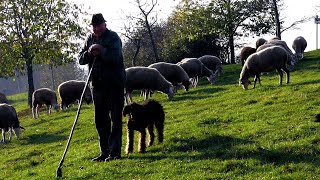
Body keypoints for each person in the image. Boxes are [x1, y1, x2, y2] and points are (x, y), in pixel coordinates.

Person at [78, 13, 126, 162]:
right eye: (94, 26)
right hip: (97, 86)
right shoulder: (89, 39)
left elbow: (115, 57)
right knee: (100, 120)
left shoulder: (113, 37)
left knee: (115, 118)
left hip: (114, 84)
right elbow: (80, 59)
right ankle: (104, 152)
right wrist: (89, 52)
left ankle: (115, 153)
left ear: (105, 25)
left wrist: (102, 50)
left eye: (99, 25)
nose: (97, 28)